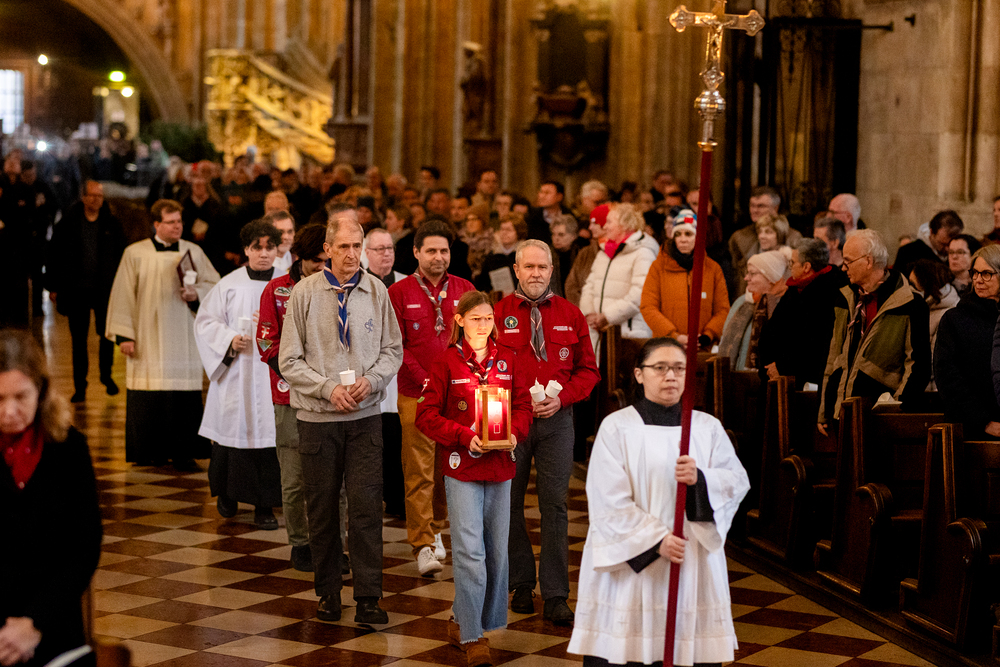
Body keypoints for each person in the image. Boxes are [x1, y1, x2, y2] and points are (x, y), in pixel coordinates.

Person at [568, 337, 750, 667]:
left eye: (679, 368)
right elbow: (606, 499)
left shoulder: (706, 428)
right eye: (660, 368)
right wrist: (656, 540)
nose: (670, 376)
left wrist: (701, 480)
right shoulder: (617, 427)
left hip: (691, 560)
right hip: (634, 566)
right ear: (639, 374)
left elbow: (736, 482)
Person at [279, 206, 403, 625]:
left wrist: (372, 381)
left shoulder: (377, 291)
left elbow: (392, 350)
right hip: (317, 420)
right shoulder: (304, 293)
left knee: (366, 507)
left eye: (357, 245)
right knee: (322, 509)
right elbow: (289, 360)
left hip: (365, 418)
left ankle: (368, 596)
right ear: (327, 248)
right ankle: (328, 592)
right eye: (344, 246)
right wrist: (327, 388)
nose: (352, 254)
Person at [415, 291, 532, 666]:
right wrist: (464, 436)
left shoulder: (508, 359)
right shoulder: (446, 361)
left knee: (496, 552)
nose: (484, 325)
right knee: (470, 552)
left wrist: (515, 432)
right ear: (460, 320)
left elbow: (524, 405)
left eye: (489, 318)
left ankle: (460, 618)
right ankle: (472, 634)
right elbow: (425, 415)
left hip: (500, 466)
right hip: (462, 466)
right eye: (476, 318)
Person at [494, 240, 600, 626]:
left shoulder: (571, 314)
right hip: (512, 421)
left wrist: (562, 399)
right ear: (517, 270)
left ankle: (556, 594)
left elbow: (588, 371)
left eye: (542, 267)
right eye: (529, 267)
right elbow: (483, 366)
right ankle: (521, 583)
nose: (536, 273)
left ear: (552, 270)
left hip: (557, 421)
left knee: (555, 505)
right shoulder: (498, 313)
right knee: (509, 503)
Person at [0, 329, 102, 667]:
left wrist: (34, 623)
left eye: (21, 396)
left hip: (55, 626)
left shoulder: (69, 449)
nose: (10, 411)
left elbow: (85, 547)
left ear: (41, 391)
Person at [105, 199, 220, 468]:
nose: (177, 227)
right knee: (149, 392)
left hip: (183, 335)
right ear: (156, 224)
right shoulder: (135, 253)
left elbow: (215, 286)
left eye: (179, 222)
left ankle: (184, 452)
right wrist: (125, 336)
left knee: (183, 396)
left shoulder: (193, 251)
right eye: (170, 222)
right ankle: (149, 451)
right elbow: (123, 294)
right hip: (147, 337)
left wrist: (196, 294)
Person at [389, 220, 476, 575]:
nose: (438, 257)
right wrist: (427, 380)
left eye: (444, 251)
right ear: (416, 252)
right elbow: (395, 345)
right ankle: (422, 544)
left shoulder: (465, 289)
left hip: (457, 396)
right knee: (419, 471)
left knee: (447, 467)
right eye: (431, 251)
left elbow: (477, 338)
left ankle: (436, 527)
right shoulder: (399, 292)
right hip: (416, 394)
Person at [196, 220, 286, 528]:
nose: (263, 254)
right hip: (238, 370)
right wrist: (229, 340)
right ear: (246, 250)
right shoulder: (229, 284)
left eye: (269, 248)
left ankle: (265, 505)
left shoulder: (287, 284)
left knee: (269, 436)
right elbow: (206, 321)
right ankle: (227, 493)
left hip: (272, 372)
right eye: (256, 248)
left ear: (277, 250)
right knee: (232, 432)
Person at [257, 224, 328, 569]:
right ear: (299, 257)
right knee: (295, 476)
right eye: (316, 261)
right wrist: (299, 377)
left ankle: (332, 544)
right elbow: (266, 342)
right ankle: (300, 542)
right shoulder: (277, 290)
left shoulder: (336, 287)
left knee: (333, 479)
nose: (322, 267)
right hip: (289, 396)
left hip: (331, 397)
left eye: (326, 260)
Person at [818, 230, 931, 436]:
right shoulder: (845, 298)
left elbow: (918, 365)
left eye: (848, 261)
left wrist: (897, 407)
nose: (843, 268)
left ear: (868, 261)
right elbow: (833, 357)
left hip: (880, 418)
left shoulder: (909, 303)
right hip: (840, 412)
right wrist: (825, 409)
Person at [46, 180, 126, 402]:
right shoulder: (68, 223)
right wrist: (53, 286)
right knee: (78, 340)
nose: (96, 199)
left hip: (104, 289)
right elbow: (54, 254)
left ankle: (106, 376)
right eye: (92, 195)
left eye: (99, 196)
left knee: (106, 336)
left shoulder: (111, 223)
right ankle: (79, 386)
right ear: (83, 197)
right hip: (76, 289)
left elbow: (121, 254)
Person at [759, 239, 847, 388]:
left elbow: (812, 343)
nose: (790, 267)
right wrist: (769, 365)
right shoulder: (794, 290)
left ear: (806, 267)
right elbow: (771, 330)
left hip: (804, 380)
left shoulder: (829, 293)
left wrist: (781, 367)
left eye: (792, 263)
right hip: (775, 375)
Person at [936, 246, 1000, 439]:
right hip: (970, 429)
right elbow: (947, 377)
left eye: (987, 274)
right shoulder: (954, 319)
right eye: (975, 273)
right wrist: (984, 421)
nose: (978, 280)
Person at [640, 210, 729, 347]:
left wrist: (707, 335)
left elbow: (723, 310)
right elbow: (648, 306)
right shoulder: (658, 267)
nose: (683, 239)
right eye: (678, 234)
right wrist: (673, 336)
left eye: (688, 234)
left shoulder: (713, 269)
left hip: (702, 348)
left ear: (698, 237)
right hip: (667, 346)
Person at [364, 228, 406, 518]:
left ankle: (397, 499)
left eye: (389, 248)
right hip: (368, 372)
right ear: (366, 253)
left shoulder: (406, 283)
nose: (386, 254)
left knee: (397, 441)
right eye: (379, 249)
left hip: (401, 374)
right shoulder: (358, 284)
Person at [579, 203, 659, 346]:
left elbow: (640, 294)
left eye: (609, 222)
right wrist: (589, 313)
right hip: (598, 331)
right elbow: (589, 286)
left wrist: (607, 317)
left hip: (628, 333)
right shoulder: (604, 253)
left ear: (624, 224)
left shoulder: (643, 253)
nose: (605, 227)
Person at [718, 250, 791, 371]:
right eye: (747, 273)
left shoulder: (785, 306)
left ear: (770, 277)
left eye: (752, 273)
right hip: (736, 376)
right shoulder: (741, 303)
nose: (746, 278)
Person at [894, 210, 964, 277]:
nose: (947, 249)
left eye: (950, 244)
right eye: (943, 244)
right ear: (931, 232)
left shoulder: (962, 255)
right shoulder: (907, 252)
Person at [476, 213, 529, 293]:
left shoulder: (525, 255)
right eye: (502, 229)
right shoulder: (492, 256)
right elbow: (482, 284)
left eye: (508, 230)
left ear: (518, 232)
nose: (504, 233)